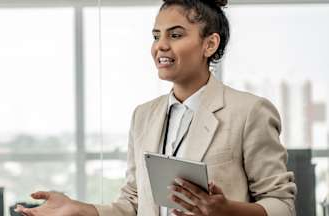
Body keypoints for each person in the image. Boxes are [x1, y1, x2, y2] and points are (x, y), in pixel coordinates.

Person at [15, 0, 297, 216]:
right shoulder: (143, 115)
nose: (160, 46)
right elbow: (133, 202)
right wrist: (79, 209)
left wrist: (228, 211)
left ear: (209, 44)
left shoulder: (249, 111)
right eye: (156, 36)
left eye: (175, 35)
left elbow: (282, 204)